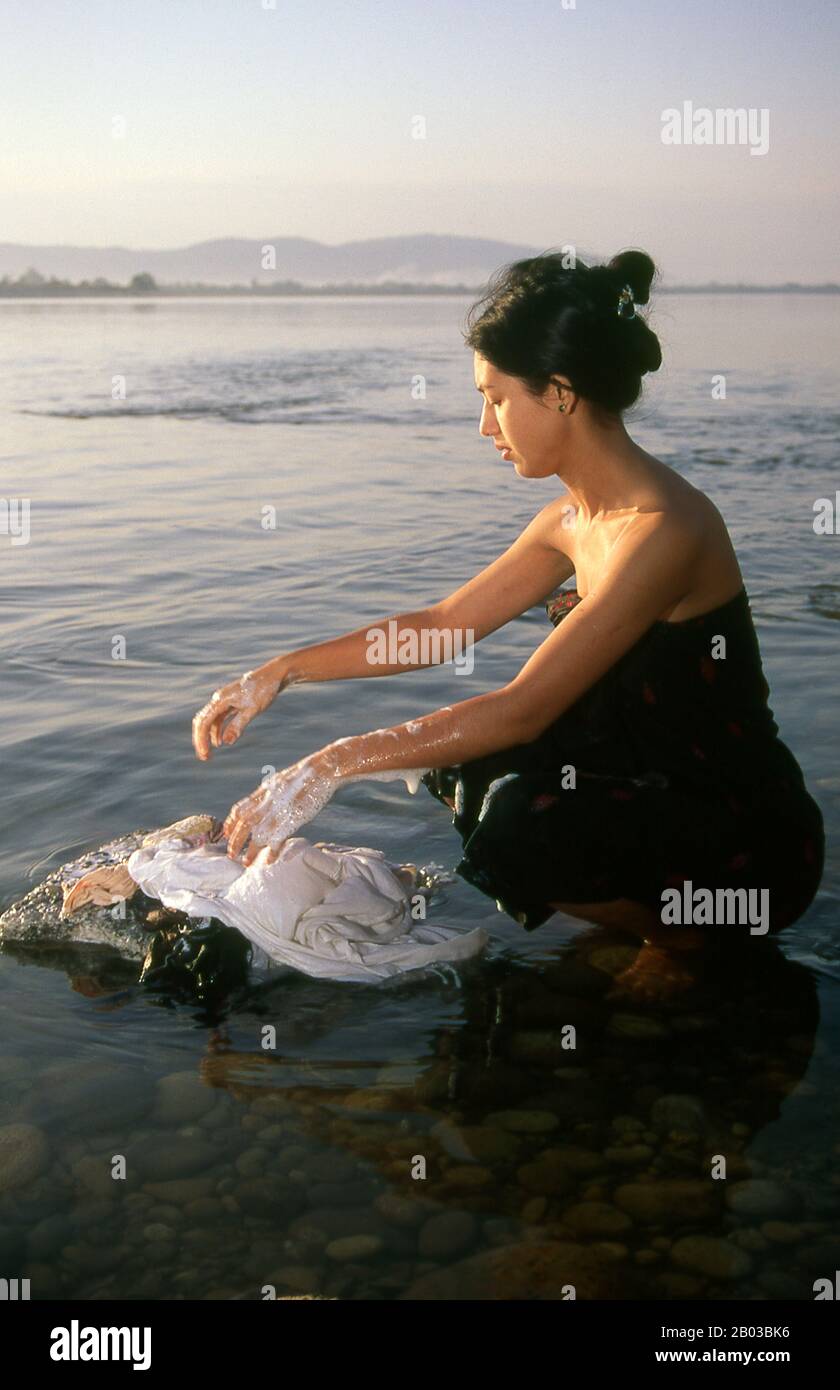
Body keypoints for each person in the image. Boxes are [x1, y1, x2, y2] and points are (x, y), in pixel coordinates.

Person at [191, 247, 825, 988]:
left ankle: (681, 942)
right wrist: (279, 672)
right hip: (656, 796)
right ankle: (651, 928)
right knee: (465, 765)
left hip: (750, 844)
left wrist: (329, 765)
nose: (483, 425)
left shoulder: (664, 530)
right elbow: (442, 625)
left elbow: (523, 709)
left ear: (559, 393)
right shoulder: (571, 519)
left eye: (495, 398)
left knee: (517, 812)